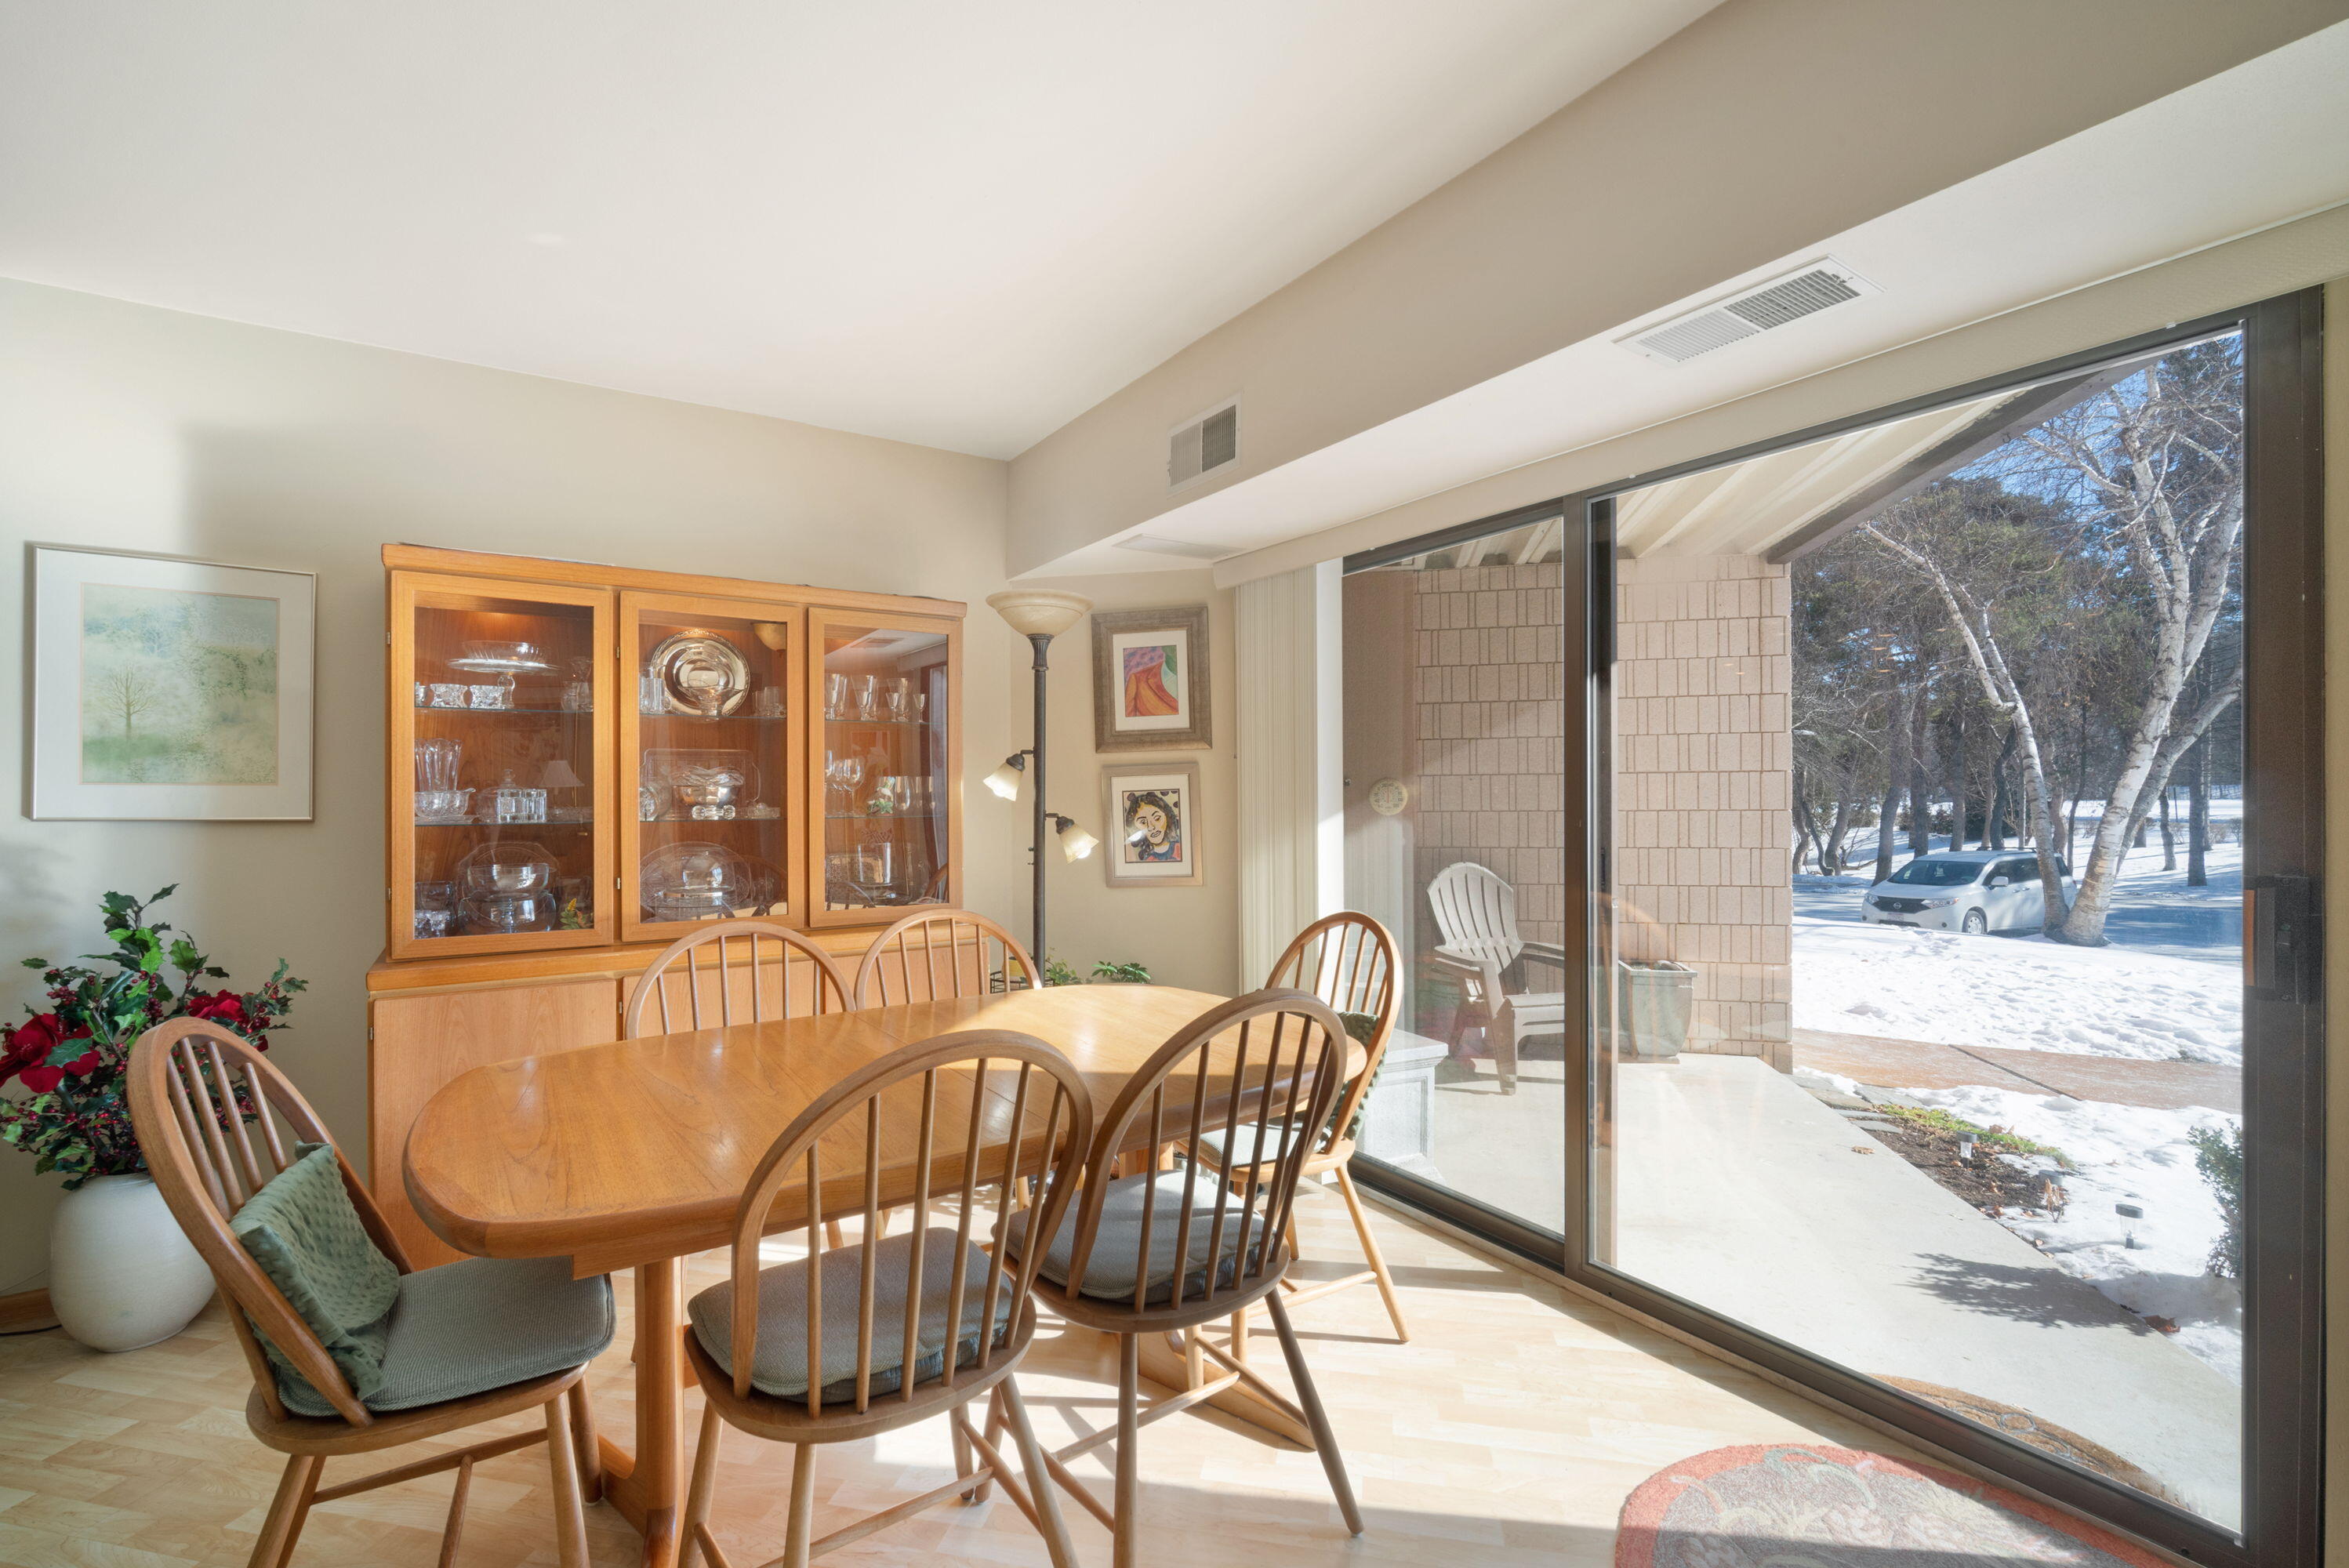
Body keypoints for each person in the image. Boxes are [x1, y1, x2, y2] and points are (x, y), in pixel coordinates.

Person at [1123, 789, 1182, 862]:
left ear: (1167, 817)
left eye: (1157, 818)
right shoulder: (1146, 860)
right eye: (1143, 822)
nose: (1151, 827)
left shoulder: (1181, 848)